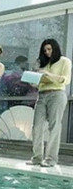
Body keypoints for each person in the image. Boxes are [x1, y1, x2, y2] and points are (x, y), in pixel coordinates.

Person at [27, 39, 71, 167]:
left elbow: (65, 80)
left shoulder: (65, 61)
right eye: (45, 50)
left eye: (49, 49)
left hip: (57, 94)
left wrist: (47, 74)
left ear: (55, 48)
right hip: (41, 95)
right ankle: (37, 157)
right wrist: (33, 77)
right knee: (36, 126)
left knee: (54, 126)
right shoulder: (41, 63)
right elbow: (35, 83)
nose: (47, 52)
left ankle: (51, 159)